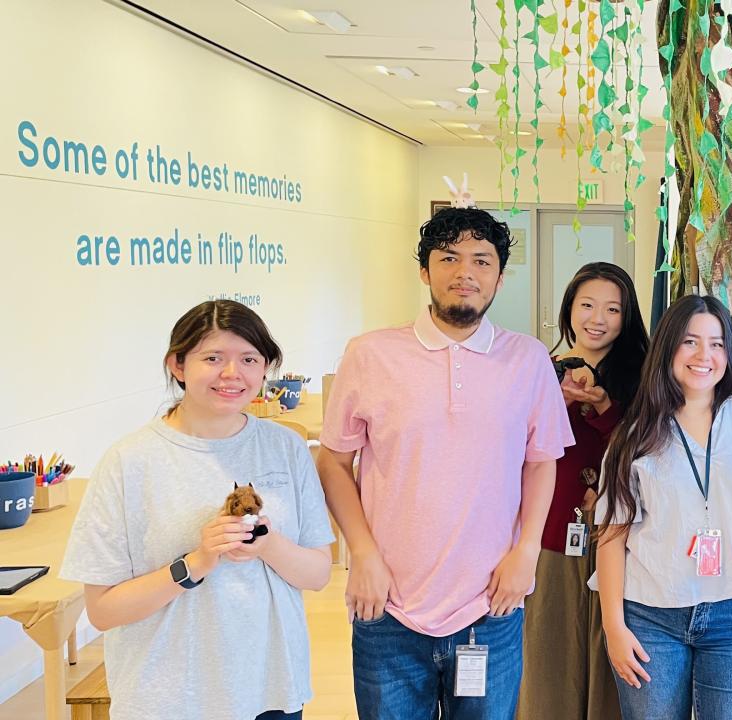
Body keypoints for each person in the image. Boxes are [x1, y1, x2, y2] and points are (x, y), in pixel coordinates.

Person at [317, 207, 574, 720]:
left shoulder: (527, 360)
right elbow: (333, 462)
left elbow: (541, 462)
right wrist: (362, 553)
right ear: (424, 271)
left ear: (500, 276)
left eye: (482, 260)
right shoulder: (370, 354)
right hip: (387, 604)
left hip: (490, 604)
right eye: (449, 258)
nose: (465, 273)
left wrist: (526, 551)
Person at [61, 300, 334, 720]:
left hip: (271, 690)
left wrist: (267, 544)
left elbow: (318, 573)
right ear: (178, 364)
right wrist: (195, 563)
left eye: (248, 359)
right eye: (213, 358)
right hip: (168, 699)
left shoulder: (287, 447)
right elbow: (102, 611)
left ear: (265, 369)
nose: (232, 374)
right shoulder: (130, 460)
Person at [594, 295, 732, 720]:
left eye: (717, 344)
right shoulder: (635, 431)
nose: (705, 355)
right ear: (668, 348)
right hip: (651, 617)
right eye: (690, 342)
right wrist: (614, 625)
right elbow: (611, 534)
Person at [518, 262, 649, 720]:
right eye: (587, 305)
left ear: (627, 316)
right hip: (551, 533)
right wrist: (559, 404)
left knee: (613, 659)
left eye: (613, 309)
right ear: (569, 308)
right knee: (548, 656)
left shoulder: (643, 378)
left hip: (623, 540)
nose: (598, 318)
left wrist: (605, 408)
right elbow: (512, 449)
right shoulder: (538, 371)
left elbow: (647, 454)